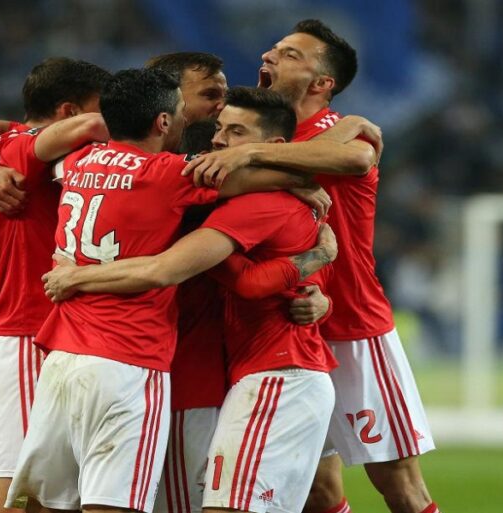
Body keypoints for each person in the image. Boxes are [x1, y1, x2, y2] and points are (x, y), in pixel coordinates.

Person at [5, 70, 312, 513]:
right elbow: (274, 178)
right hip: (127, 361)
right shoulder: (168, 174)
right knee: (113, 503)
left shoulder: (78, 162)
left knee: (45, 503)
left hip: (62, 359)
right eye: (182, 112)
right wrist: (305, 183)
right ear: (163, 122)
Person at [183, 19, 441, 513]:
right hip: (282, 328)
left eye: (291, 54)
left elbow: (358, 160)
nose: (270, 56)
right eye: (275, 48)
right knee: (317, 493)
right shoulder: (245, 132)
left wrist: (252, 153)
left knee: (401, 487)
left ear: (322, 83)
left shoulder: (333, 137)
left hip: (351, 326)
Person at [0, 58, 112, 513]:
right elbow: (98, 125)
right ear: (68, 112)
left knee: (47, 504)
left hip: (37, 337)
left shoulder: (5, 142)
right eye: (101, 108)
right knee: (4, 503)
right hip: (21, 338)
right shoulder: (26, 149)